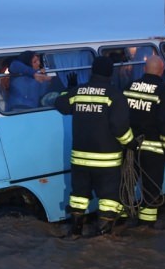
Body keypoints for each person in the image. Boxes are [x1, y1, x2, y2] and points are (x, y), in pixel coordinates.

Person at [55, 56, 135, 237]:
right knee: (108, 198)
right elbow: (119, 128)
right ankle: (102, 237)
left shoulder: (78, 92)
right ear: (111, 72)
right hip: (106, 161)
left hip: (80, 159)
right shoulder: (115, 95)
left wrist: (68, 89)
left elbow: (60, 104)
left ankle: (75, 232)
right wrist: (131, 143)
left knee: (79, 196)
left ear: (92, 71)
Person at [123, 54, 165, 228]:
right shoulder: (164, 92)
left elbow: (119, 117)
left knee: (125, 184)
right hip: (153, 151)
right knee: (151, 190)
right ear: (161, 72)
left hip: (129, 148)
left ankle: (120, 222)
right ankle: (145, 229)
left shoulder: (129, 87)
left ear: (144, 69)